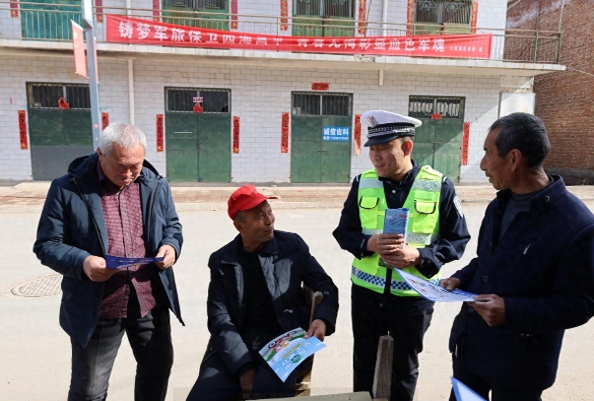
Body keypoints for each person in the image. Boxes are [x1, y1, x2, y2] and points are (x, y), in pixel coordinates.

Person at [440, 112, 594, 401]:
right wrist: (460, 278)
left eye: (487, 153)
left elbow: (578, 306)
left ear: (513, 159)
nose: (482, 165)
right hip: (471, 351)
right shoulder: (499, 205)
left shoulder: (575, 225)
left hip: (520, 367)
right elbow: (487, 262)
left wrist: (511, 311)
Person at [33, 123, 184, 401]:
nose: (127, 174)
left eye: (135, 166)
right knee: (89, 391)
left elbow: (172, 226)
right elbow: (47, 244)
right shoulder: (68, 188)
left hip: (148, 300)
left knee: (156, 370)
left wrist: (171, 246)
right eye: (120, 166)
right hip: (98, 306)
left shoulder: (156, 184)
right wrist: (83, 262)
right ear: (100, 154)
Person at [333, 110, 470, 401]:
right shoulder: (362, 182)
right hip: (367, 296)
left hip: (412, 299)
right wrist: (369, 243)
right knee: (364, 365)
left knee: (403, 370)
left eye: (384, 148)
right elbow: (344, 232)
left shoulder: (439, 185)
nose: (376, 156)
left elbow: (457, 239)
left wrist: (419, 255)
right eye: (372, 149)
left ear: (406, 147)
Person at [186, 185, 339, 401]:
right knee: (201, 397)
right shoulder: (222, 261)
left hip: (285, 341)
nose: (269, 220)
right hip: (237, 342)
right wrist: (243, 367)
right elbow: (219, 318)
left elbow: (325, 284)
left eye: (269, 211)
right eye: (260, 216)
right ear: (240, 226)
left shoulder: (291, 246)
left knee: (266, 394)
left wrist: (322, 318)